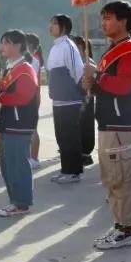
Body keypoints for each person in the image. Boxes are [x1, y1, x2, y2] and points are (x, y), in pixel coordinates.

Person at [83, 1, 131, 250]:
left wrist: (98, 76)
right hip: (109, 123)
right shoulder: (112, 50)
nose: (103, 22)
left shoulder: (129, 50)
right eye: (102, 18)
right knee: (111, 179)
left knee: (122, 178)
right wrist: (91, 82)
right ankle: (120, 225)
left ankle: (126, 230)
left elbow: (124, 86)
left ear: (123, 22)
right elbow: (106, 85)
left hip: (121, 125)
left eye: (108, 18)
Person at [0, 30, 40, 217]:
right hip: (7, 123)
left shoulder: (25, 70)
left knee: (17, 165)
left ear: (18, 45)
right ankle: (15, 201)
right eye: (2, 42)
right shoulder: (10, 68)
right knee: (7, 166)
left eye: (6, 42)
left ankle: (21, 203)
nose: (2, 46)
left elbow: (22, 97)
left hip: (18, 125)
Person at [46, 15, 85, 184]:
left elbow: (77, 72)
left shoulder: (68, 46)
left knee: (70, 136)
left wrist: (74, 92)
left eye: (54, 23)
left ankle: (74, 172)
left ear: (63, 27)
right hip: (58, 100)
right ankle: (65, 170)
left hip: (70, 100)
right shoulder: (55, 47)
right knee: (61, 136)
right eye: (51, 22)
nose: (51, 26)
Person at [72, 36, 95, 166]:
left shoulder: (88, 62)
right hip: (75, 99)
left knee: (86, 126)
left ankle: (86, 153)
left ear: (81, 47)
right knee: (77, 126)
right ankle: (78, 151)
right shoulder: (74, 61)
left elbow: (95, 80)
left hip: (86, 98)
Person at [25, 32, 43, 170]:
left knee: (32, 129)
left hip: (31, 98)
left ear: (29, 44)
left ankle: (34, 158)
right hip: (26, 98)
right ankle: (29, 156)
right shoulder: (27, 58)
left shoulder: (33, 59)